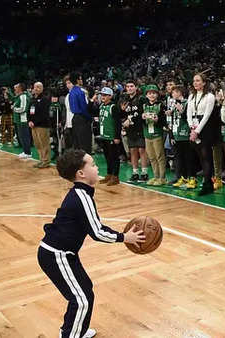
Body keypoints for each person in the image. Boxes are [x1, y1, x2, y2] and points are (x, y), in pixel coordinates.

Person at [38, 149, 145, 338]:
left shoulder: (82, 194)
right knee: (81, 300)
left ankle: (74, 330)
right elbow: (97, 232)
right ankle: (71, 335)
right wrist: (124, 237)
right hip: (56, 255)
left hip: (64, 253)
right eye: (93, 164)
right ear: (81, 174)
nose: (97, 167)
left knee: (84, 290)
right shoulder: (81, 196)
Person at [187, 73, 217, 196]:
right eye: (194, 81)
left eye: (198, 80)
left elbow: (207, 116)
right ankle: (207, 181)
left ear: (204, 82)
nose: (195, 83)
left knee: (206, 156)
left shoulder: (210, 96)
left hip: (205, 128)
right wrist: (191, 127)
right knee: (199, 155)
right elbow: (188, 112)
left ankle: (207, 183)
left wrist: (197, 131)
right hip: (194, 126)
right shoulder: (191, 96)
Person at [169, 86, 197, 188]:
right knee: (179, 158)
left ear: (181, 92)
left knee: (188, 158)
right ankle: (183, 178)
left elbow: (190, 117)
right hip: (176, 134)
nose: (173, 94)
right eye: (172, 92)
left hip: (185, 134)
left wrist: (182, 112)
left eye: (175, 92)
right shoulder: (173, 104)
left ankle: (192, 178)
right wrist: (171, 135)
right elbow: (172, 121)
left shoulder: (187, 103)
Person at [121, 79, 149, 183]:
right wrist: (124, 122)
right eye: (128, 87)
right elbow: (121, 114)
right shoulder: (124, 100)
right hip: (130, 129)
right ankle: (135, 173)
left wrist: (131, 119)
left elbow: (145, 113)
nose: (129, 88)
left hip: (140, 128)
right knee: (132, 151)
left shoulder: (141, 99)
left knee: (142, 150)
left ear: (136, 87)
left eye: (131, 86)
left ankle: (144, 173)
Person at [94, 87, 122, 186]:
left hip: (111, 136)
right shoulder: (101, 106)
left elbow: (118, 123)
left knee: (114, 157)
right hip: (103, 136)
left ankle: (115, 176)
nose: (103, 97)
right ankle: (109, 174)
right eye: (102, 95)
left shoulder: (113, 107)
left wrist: (117, 137)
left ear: (110, 96)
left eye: (105, 95)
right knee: (107, 157)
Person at [142, 85, 167, 186]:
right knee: (151, 157)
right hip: (147, 134)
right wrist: (142, 117)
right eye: (149, 93)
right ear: (146, 95)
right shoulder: (144, 106)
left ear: (157, 94)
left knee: (159, 156)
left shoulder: (161, 105)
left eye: (154, 93)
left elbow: (164, 121)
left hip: (157, 134)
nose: (151, 95)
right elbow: (141, 121)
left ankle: (162, 177)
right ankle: (156, 176)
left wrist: (158, 120)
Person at [29, 82, 52, 168]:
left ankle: (46, 161)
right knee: (37, 144)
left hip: (42, 125)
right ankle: (41, 159)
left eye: (38, 87)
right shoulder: (32, 99)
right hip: (33, 125)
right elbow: (30, 111)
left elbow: (43, 114)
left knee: (44, 143)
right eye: (35, 87)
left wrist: (34, 122)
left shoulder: (44, 99)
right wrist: (30, 121)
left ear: (42, 89)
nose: (36, 89)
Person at [68, 73, 92, 154]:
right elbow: (84, 108)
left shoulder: (71, 92)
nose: (82, 80)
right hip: (82, 119)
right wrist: (90, 118)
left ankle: (77, 165)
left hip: (74, 118)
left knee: (77, 144)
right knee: (85, 145)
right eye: (80, 79)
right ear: (78, 80)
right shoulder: (81, 91)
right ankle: (85, 165)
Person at [13, 83, 32, 159]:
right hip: (18, 120)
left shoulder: (23, 96)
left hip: (23, 120)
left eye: (16, 87)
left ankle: (28, 152)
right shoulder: (19, 97)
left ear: (20, 88)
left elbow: (23, 109)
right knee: (21, 137)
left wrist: (14, 109)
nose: (15, 88)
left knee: (25, 137)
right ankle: (25, 151)